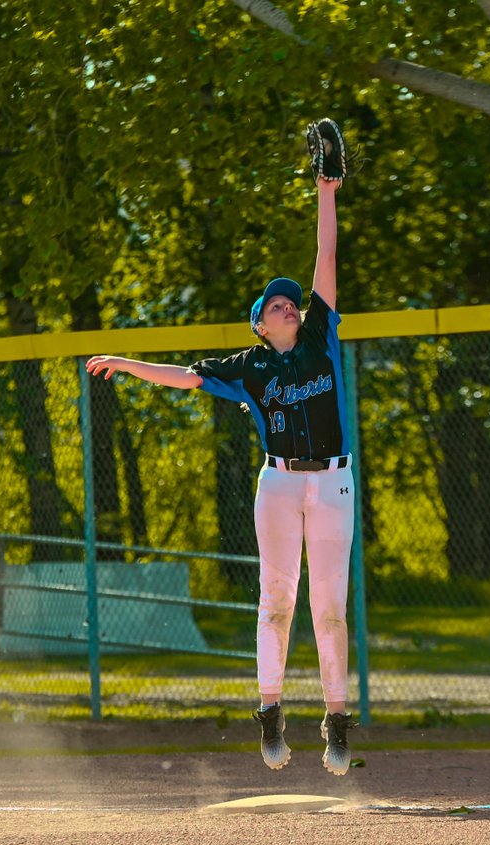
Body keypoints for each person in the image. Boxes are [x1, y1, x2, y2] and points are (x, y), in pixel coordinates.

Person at [85, 174, 356, 776]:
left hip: (334, 483)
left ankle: (337, 723)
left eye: (291, 301)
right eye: (275, 305)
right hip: (279, 485)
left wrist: (326, 188)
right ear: (260, 324)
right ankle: (270, 712)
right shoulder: (250, 367)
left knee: (330, 608)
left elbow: (327, 253)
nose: (287, 305)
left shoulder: (320, 336)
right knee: (276, 601)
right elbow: (186, 377)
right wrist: (125, 364)